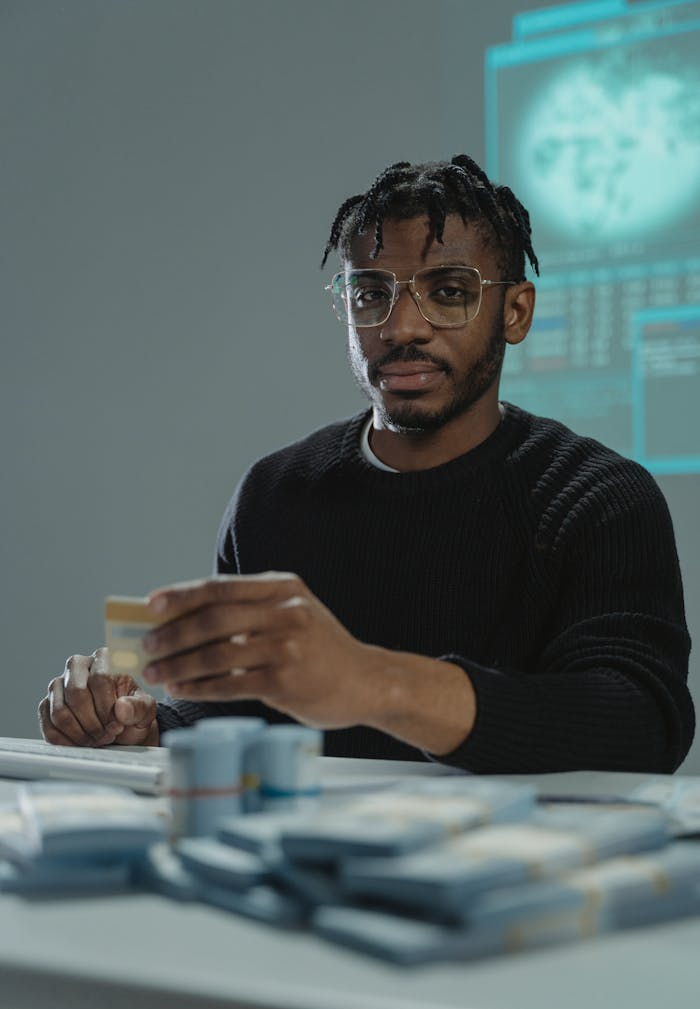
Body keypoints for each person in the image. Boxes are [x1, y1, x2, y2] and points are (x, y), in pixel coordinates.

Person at [38, 153, 694, 772]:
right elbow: (236, 715)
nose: (402, 326)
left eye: (449, 292)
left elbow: (640, 723)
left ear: (515, 311)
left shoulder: (595, 497)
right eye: (370, 294)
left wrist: (371, 682)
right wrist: (147, 729)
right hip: (303, 878)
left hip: (506, 881)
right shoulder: (274, 492)